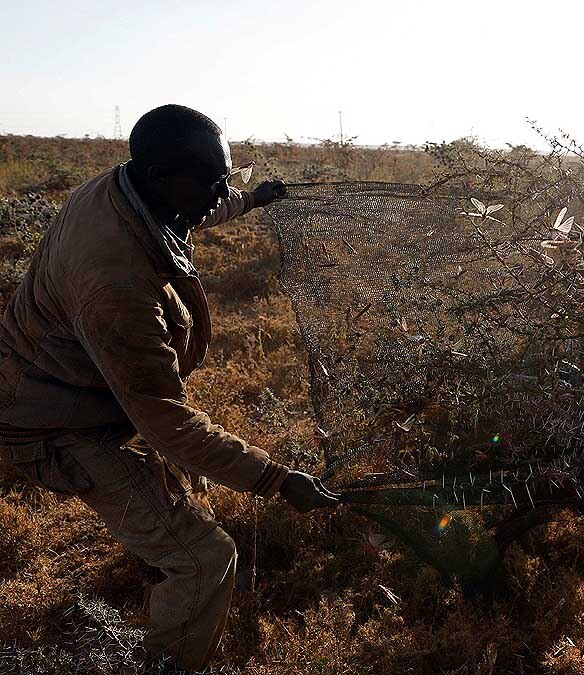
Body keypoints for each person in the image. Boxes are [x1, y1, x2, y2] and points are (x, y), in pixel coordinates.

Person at [0, 104, 339, 670]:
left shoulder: (131, 189)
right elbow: (163, 418)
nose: (220, 192)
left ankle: (160, 568)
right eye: (211, 182)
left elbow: (190, 213)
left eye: (225, 178)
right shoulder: (116, 283)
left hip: (85, 393)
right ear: (160, 177)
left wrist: (251, 199)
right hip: (52, 423)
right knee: (205, 559)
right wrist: (276, 480)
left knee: (182, 481)